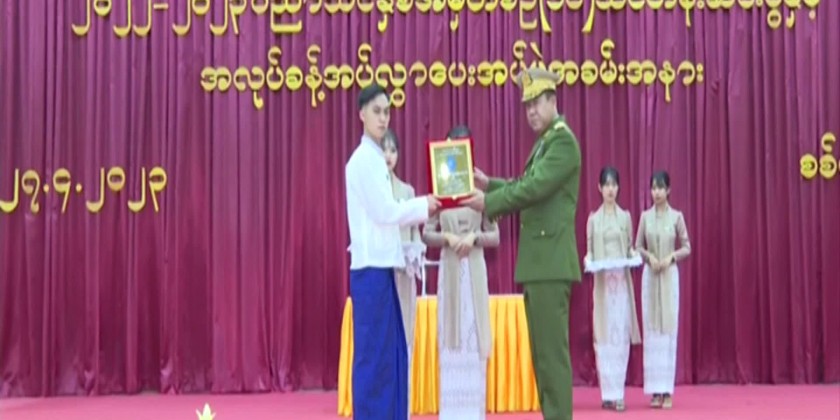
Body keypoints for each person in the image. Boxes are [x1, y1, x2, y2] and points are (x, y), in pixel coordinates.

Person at [462, 68, 582, 420]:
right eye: (526, 105)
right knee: (542, 359)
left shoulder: (562, 143)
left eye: (536, 103)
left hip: (550, 264)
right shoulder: (546, 143)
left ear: (553, 100)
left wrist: (488, 203)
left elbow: (533, 188)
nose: (530, 111)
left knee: (551, 360)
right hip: (540, 264)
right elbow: (524, 184)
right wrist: (489, 185)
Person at [344, 84, 441, 420]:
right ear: (362, 114)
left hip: (381, 270)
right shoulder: (363, 161)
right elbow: (385, 212)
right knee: (375, 362)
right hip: (370, 272)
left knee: (390, 358)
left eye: (386, 111)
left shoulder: (374, 160)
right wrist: (423, 205)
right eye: (376, 111)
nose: (383, 118)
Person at [422, 125, 499, 420]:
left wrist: (474, 238)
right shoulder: (439, 193)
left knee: (474, 337)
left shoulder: (479, 194)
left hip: (474, 271)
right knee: (451, 337)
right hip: (451, 272)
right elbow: (426, 234)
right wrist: (448, 238)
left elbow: (495, 236)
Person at [582, 166, 642, 412]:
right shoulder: (593, 220)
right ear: (599, 188)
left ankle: (619, 393)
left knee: (620, 338)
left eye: (614, 184)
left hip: (621, 286)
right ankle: (607, 393)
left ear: (618, 188)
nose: (610, 189)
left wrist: (634, 255)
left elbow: (629, 248)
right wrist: (588, 260)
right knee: (604, 337)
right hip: (603, 286)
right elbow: (590, 251)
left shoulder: (625, 217)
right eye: (606, 184)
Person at [634, 170, 691, 410]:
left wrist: (670, 258)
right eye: (653, 188)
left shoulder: (677, 217)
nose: (656, 192)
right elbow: (637, 246)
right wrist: (649, 257)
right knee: (652, 332)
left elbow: (687, 247)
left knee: (668, 332)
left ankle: (667, 390)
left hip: (668, 276)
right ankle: (655, 392)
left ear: (668, 190)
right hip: (650, 276)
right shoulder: (645, 217)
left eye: (660, 188)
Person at [381, 128, 426, 417]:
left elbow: (415, 235)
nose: (388, 155)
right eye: (384, 149)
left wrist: (415, 253)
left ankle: (403, 409)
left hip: (404, 277)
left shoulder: (408, 192)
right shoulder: (373, 193)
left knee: (404, 342)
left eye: (393, 150)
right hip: (381, 277)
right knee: (382, 345)